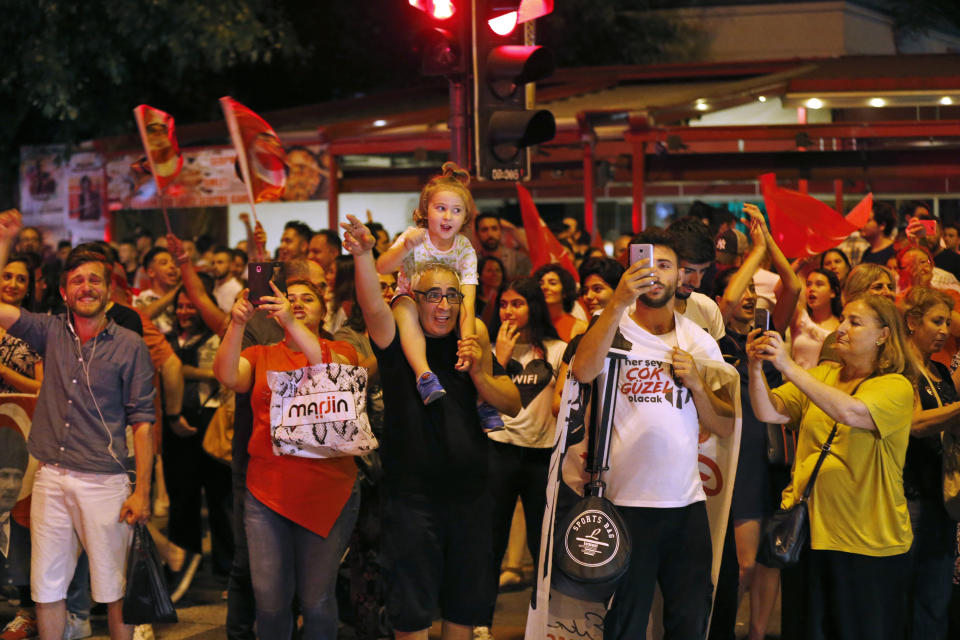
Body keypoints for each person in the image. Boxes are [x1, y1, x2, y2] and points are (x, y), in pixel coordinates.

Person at [342, 214, 520, 640]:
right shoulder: (397, 343)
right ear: (411, 299)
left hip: (472, 493)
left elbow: (512, 403)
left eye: (452, 297)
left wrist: (479, 373)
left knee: (465, 604)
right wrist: (365, 255)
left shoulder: (470, 341)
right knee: (412, 609)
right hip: (411, 497)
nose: (443, 306)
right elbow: (370, 304)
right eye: (433, 296)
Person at [570, 227, 735, 639]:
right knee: (626, 621)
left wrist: (697, 383)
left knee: (690, 619)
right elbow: (583, 371)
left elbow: (726, 424)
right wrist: (617, 302)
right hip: (624, 504)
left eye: (666, 265)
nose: (656, 274)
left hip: (686, 504)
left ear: (681, 276)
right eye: (645, 264)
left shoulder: (698, 340)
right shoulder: (611, 327)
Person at [0, 209, 155, 640]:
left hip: (105, 482)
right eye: (77, 281)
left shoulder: (130, 347)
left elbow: (143, 422)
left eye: (95, 280)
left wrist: (142, 490)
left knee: (114, 591)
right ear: (65, 293)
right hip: (50, 476)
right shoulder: (48, 332)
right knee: (46, 588)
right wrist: (5, 243)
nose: (86, 286)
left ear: (109, 292)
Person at [747, 294, 913, 639]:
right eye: (843, 319)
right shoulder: (824, 374)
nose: (841, 329)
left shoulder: (896, 386)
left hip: (866, 541)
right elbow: (769, 411)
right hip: (810, 533)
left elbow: (850, 412)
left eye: (855, 322)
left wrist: (789, 366)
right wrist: (755, 367)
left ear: (883, 335)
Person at [213, 279, 359, 639]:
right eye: (288, 299)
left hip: (329, 491)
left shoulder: (343, 349)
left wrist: (293, 324)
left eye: (306, 299)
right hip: (267, 494)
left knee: (317, 600)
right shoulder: (261, 354)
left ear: (324, 310)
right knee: (271, 603)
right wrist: (236, 324)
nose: (295, 304)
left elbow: (330, 371)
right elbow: (227, 375)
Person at [711, 204, 801, 640]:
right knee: (746, 563)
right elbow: (730, 300)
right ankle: (729, 624)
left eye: (753, 292)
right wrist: (757, 248)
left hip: (778, 451)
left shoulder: (770, 336)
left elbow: (794, 285)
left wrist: (771, 248)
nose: (748, 298)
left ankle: (759, 634)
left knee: (772, 555)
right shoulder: (716, 340)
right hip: (742, 455)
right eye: (742, 290)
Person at [476, 278, 565, 636]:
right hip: (497, 449)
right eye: (504, 305)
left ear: (534, 306)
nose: (509, 311)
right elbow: (483, 400)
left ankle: (543, 622)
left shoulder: (557, 349)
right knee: (490, 541)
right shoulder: (490, 348)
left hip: (540, 455)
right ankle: (481, 622)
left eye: (518, 304)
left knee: (542, 545)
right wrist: (497, 356)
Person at [375, 163, 479, 407]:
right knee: (406, 309)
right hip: (410, 300)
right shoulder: (414, 236)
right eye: (440, 208)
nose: (447, 216)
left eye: (456, 210)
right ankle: (424, 376)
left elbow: (469, 299)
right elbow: (382, 267)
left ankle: (482, 399)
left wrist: (467, 343)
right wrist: (405, 248)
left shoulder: (464, 247)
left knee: (479, 331)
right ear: (426, 210)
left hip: (445, 310)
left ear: (465, 216)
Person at [163, 283, 233, 583]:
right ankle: (181, 563)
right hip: (174, 423)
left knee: (220, 497)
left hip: (210, 418)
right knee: (181, 495)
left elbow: (219, 374)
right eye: (179, 306)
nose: (184, 312)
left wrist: (186, 371)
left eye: (190, 306)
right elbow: (171, 369)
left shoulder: (219, 338)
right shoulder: (165, 338)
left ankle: (227, 567)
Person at [902, 287, 958, 639]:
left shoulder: (939, 369)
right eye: (936, 321)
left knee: (935, 599)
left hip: (944, 498)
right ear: (911, 321)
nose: (943, 330)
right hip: (911, 496)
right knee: (907, 594)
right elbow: (915, 425)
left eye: (947, 323)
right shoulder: (899, 369)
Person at [0, 254, 42, 394]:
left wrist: (4, 372)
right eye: (7, 277)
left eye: (21, 280)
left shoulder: (36, 328)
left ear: (28, 288)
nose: (13, 285)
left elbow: (43, 388)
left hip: (17, 412)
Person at [790, 268, 842, 370]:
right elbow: (780, 290)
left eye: (819, 284)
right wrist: (799, 264)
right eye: (808, 284)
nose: (811, 289)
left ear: (832, 292)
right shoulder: (800, 318)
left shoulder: (841, 326)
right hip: (795, 382)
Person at [133, 246, 181, 335]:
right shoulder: (140, 299)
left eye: (174, 262)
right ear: (151, 272)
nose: (172, 266)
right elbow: (142, 317)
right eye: (164, 263)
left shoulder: (184, 296)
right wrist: (177, 290)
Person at [534, 264, 587, 342]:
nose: (544, 287)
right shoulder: (531, 324)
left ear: (565, 291)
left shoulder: (580, 327)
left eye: (552, 283)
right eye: (540, 284)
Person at [474, 214, 532, 281]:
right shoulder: (472, 262)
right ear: (477, 233)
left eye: (494, 229)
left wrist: (513, 229)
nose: (490, 234)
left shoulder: (518, 259)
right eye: (484, 230)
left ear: (500, 231)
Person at [476, 255, 506, 330]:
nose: (495, 274)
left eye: (498, 270)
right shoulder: (473, 300)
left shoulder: (507, 298)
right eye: (489, 270)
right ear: (480, 275)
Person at [211, 246, 243, 313]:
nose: (215, 267)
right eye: (213, 263)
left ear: (232, 265)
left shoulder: (236, 289)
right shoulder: (214, 284)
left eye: (220, 262)